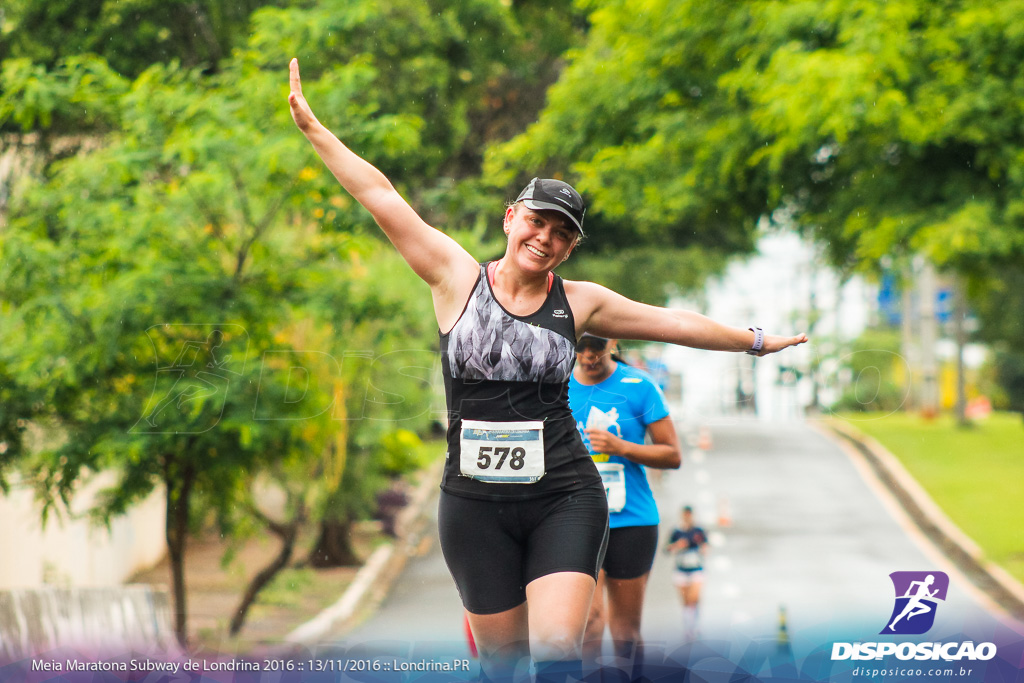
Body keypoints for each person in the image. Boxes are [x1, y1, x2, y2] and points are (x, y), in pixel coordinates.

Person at [288, 58, 807, 682]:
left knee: (559, 656)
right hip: (473, 504)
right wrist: (316, 130)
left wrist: (754, 341)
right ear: (512, 217)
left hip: (563, 494)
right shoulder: (456, 279)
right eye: (537, 221)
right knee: (502, 665)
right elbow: (381, 196)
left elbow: (672, 322)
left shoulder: (581, 301)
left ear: (571, 246)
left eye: (563, 233)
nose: (546, 237)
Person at [569, 335, 681, 671]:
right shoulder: (556, 387)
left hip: (630, 520)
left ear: (613, 341)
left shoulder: (639, 386)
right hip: (574, 522)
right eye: (580, 347)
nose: (588, 356)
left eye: (597, 347)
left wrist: (621, 447)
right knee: (588, 625)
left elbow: (672, 455)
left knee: (625, 634)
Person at [665, 506, 709, 641]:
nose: (687, 517)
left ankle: (695, 626)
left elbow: (706, 547)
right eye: (685, 515)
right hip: (681, 570)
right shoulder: (676, 532)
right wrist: (678, 545)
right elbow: (667, 549)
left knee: (693, 597)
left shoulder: (699, 531)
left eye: (689, 515)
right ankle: (688, 628)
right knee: (685, 601)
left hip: (696, 569)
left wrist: (703, 549)